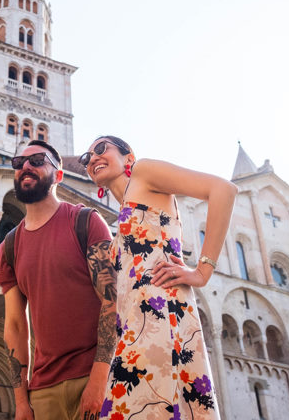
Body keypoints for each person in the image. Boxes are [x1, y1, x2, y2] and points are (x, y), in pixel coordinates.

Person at [78, 136, 237, 420]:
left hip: (163, 319)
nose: (92, 158)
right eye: (86, 157)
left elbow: (223, 189)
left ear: (128, 157)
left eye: (101, 149)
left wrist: (202, 271)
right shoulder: (123, 213)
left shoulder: (144, 171)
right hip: (137, 329)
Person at [0, 140, 116, 420]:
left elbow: (112, 302)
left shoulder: (86, 221)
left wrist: (99, 380)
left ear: (59, 176)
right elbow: (15, 325)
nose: (26, 166)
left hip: (95, 377)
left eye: (38, 160)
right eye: (19, 163)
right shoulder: (9, 246)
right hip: (43, 392)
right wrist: (22, 401)